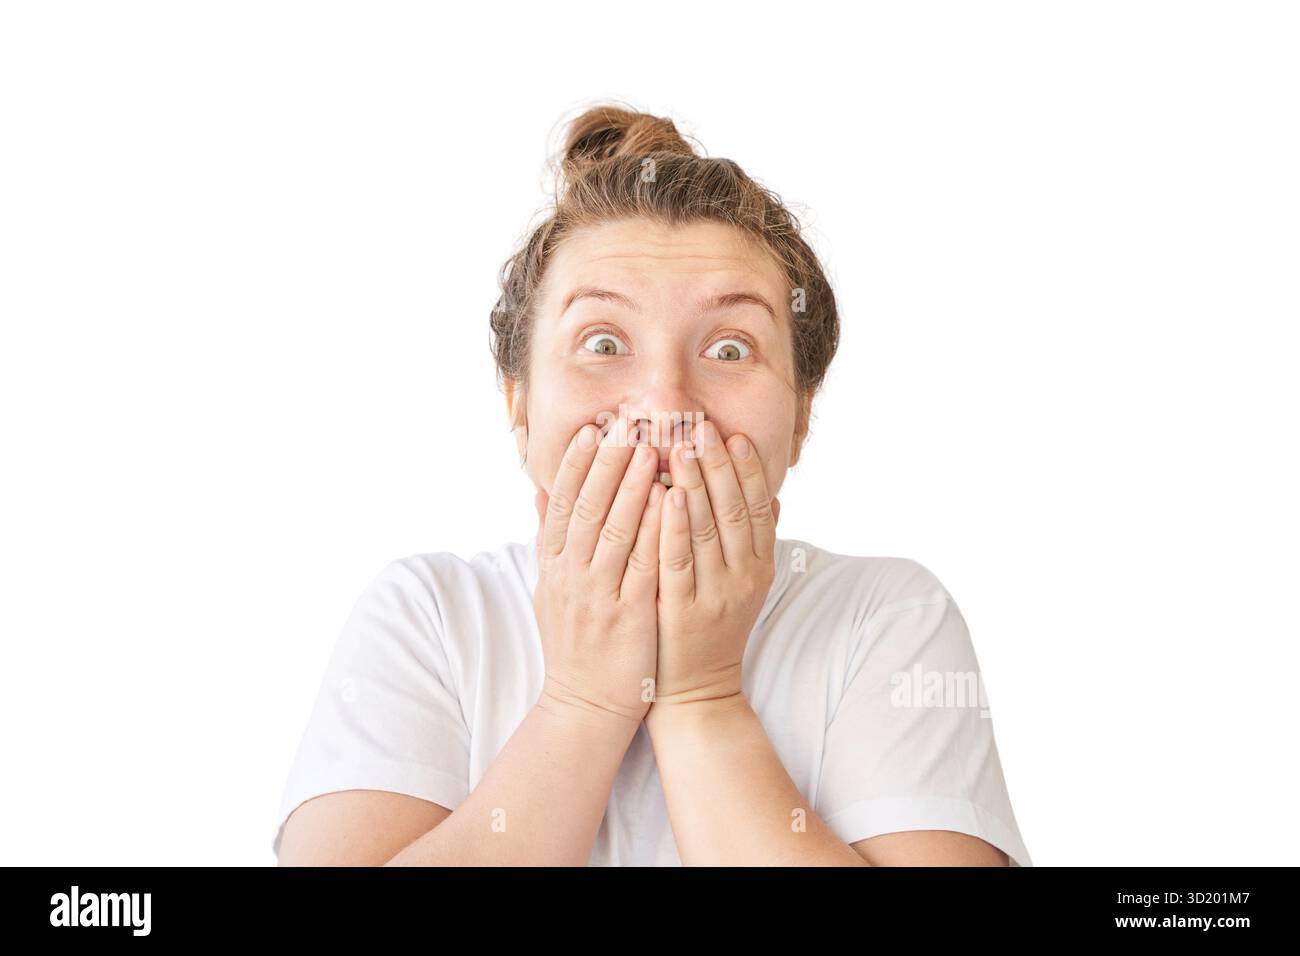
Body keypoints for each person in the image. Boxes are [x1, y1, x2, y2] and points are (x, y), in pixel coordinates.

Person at [272, 103, 1032, 866]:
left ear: (801, 416)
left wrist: (703, 701)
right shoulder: (430, 617)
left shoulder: (888, 620)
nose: (666, 405)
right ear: (520, 404)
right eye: (603, 343)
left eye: (730, 350)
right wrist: (582, 701)